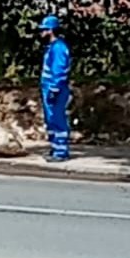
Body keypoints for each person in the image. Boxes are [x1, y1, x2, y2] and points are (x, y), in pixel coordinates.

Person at [38, 14, 71, 162]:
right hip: (49, 88)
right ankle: (54, 148)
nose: (41, 33)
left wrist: (54, 89)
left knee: (57, 118)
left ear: (50, 30)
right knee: (50, 119)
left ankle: (61, 151)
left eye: (43, 30)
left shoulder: (58, 48)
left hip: (55, 89)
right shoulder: (51, 47)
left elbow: (59, 70)